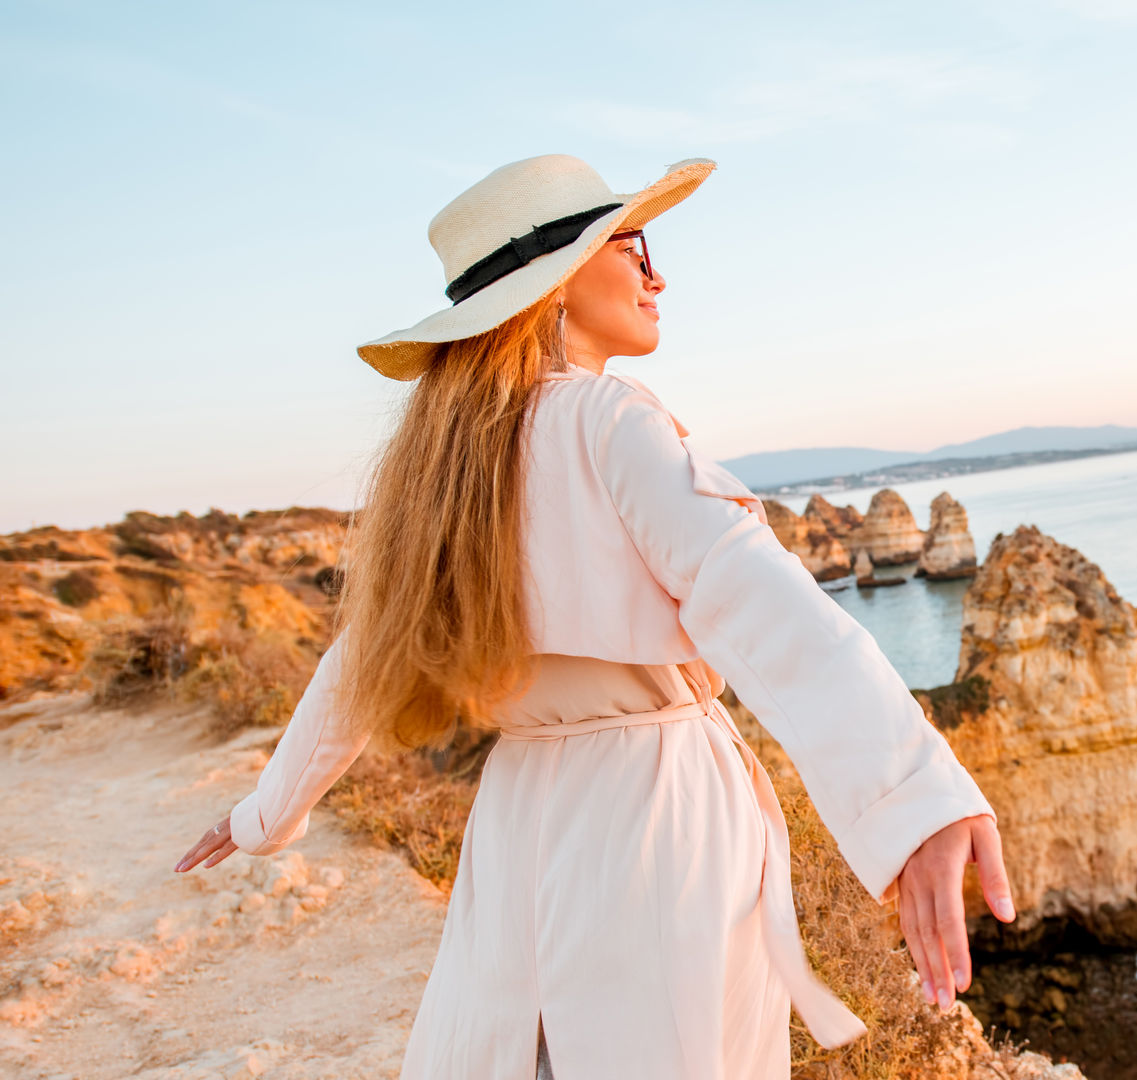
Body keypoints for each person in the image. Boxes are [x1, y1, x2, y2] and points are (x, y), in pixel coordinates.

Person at [172, 153, 1016, 1080]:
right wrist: (915, 801)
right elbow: (767, 610)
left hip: (520, 809)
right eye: (634, 245)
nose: (658, 275)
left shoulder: (439, 475)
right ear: (559, 282)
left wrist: (266, 812)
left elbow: (355, 666)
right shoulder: (613, 423)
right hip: (659, 812)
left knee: (513, 1050)